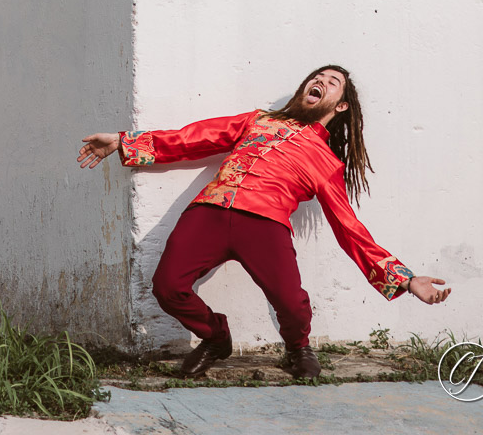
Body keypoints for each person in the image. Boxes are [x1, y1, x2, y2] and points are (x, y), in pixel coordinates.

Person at [78, 65, 450, 379]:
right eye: (316, 77)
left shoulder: (326, 161)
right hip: (209, 210)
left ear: (341, 105)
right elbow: (195, 137)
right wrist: (123, 142)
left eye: (331, 81)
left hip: (266, 225)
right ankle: (216, 337)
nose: (319, 81)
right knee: (167, 286)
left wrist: (405, 277)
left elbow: (348, 227)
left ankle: (298, 347)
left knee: (291, 302)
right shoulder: (259, 121)